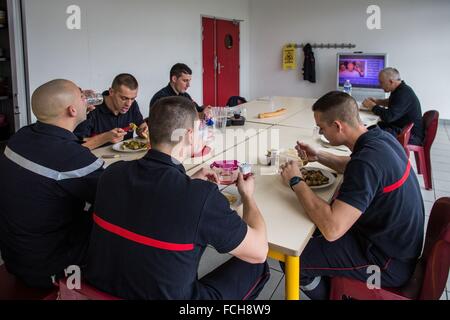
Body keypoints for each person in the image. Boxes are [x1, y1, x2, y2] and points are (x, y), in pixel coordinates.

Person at [85, 96, 270, 300]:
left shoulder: (112, 173)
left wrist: (187, 181)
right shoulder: (201, 197)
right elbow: (259, 250)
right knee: (257, 265)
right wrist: (248, 195)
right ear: (189, 135)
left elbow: (151, 200)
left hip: (100, 291)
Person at [279, 91, 424, 300]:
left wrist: (296, 181)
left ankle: (337, 295)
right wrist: (318, 155)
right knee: (309, 233)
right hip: (394, 244)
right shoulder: (380, 137)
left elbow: (332, 229)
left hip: (386, 264)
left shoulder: (365, 163)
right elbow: (351, 165)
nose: (320, 132)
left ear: (338, 126)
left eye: (322, 127)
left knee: (293, 259)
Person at [0, 79, 105, 288]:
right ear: (72, 110)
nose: (86, 97)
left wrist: (79, 113)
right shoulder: (73, 159)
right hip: (46, 266)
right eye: (81, 95)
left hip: (14, 254)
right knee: (114, 218)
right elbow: (117, 195)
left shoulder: (20, 137)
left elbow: (59, 146)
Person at [75, 73, 149, 150]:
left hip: (125, 158)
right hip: (96, 158)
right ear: (111, 92)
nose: (129, 104)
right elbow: (77, 146)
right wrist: (105, 138)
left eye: (133, 98)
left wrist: (143, 131)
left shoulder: (132, 105)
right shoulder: (91, 108)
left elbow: (141, 125)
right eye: (124, 98)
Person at [362, 68, 424, 145]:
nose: (380, 85)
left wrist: (373, 106)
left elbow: (388, 117)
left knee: (369, 134)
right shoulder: (401, 89)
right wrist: (378, 101)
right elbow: (393, 102)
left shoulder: (403, 94)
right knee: (370, 127)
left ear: (391, 82)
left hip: (410, 135)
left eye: (381, 82)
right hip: (400, 127)